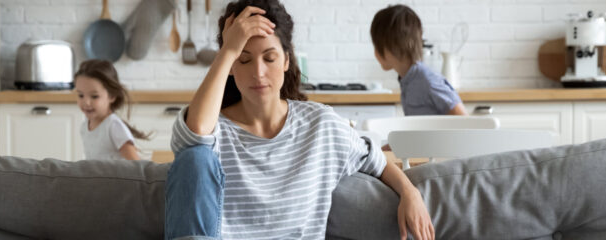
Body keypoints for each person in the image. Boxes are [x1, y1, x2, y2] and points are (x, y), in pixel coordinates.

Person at [164, 1, 435, 239]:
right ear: (231, 67)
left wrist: (410, 193)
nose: (258, 73)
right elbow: (195, 136)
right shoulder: (213, 129)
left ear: (286, 61)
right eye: (244, 60)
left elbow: (374, 158)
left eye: (269, 58)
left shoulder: (320, 126)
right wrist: (227, 51)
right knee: (194, 156)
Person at [370, 4, 466, 116]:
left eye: (377, 45)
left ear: (394, 46)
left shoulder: (427, 80)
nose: (375, 52)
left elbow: (465, 121)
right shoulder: (407, 79)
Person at [73, 60, 150, 161]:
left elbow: (136, 164)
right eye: (81, 95)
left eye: (94, 96)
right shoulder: (85, 126)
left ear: (112, 96)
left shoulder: (114, 126)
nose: (86, 102)